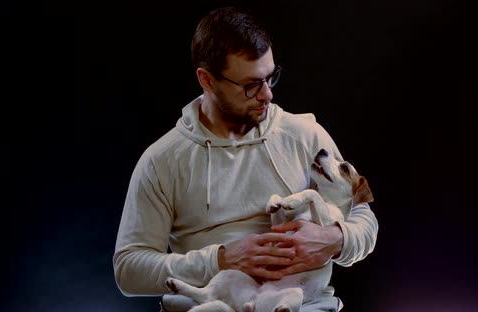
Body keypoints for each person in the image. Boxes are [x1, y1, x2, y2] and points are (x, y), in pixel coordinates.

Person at [113, 6, 378, 312]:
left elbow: (364, 217)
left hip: (302, 304)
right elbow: (129, 269)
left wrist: (335, 239)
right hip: (215, 304)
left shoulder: (305, 135)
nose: (267, 95)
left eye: (270, 77)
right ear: (207, 80)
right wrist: (220, 259)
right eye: (251, 85)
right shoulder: (162, 161)